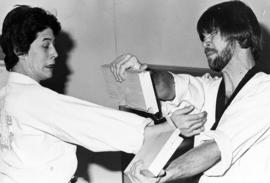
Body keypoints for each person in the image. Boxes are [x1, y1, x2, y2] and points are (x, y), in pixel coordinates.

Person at [0, 5, 207, 183]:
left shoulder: (6, 96)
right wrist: (169, 126)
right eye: (45, 44)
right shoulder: (33, 99)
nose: (55, 52)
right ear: (19, 49)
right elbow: (89, 122)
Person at [110, 1, 270, 182]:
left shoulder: (265, 90)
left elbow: (216, 148)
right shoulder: (210, 89)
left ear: (242, 35)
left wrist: (163, 174)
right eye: (203, 36)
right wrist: (143, 73)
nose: (205, 42)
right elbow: (172, 86)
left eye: (213, 33)